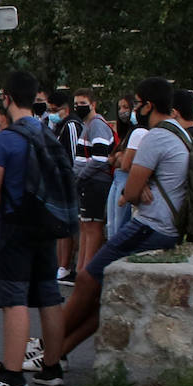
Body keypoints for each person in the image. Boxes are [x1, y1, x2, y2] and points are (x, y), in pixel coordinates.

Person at [46, 77, 185, 370]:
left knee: (87, 278)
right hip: (168, 226)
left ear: (148, 105)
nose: (133, 110)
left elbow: (130, 191)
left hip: (151, 225)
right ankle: (56, 355)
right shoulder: (178, 133)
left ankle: (49, 344)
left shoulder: (154, 137)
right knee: (101, 291)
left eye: (136, 103)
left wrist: (134, 189)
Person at [0, 71, 67, 386]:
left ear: (7, 99)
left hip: (14, 225)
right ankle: (52, 367)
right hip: (46, 225)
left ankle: (11, 374)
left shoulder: (7, 139)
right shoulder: (47, 134)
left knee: (14, 299)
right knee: (49, 295)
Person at [72, 88, 116, 278]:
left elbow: (99, 158)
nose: (79, 107)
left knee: (93, 227)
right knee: (85, 226)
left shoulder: (97, 125)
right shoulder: (87, 125)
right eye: (76, 104)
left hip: (95, 183)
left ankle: (87, 273)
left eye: (83, 103)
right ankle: (81, 269)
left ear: (93, 104)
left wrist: (81, 176)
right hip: (88, 183)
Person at [47, 88, 80, 283]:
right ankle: (60, 264)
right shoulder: (58, 127)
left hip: (67, 182)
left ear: (65, 110)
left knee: (66, 226)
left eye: (54, 109)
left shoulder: (71, 126)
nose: (51, 113)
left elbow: (74, 157)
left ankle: (65, 265)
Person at [105, 95, 145, 241]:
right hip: (117, 177)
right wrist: (119, 157)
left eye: (126, 107)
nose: (123, 111)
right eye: (120, 108)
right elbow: (113, 158)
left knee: (119, 224)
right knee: (111, 224)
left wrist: (121, 157)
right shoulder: (125, 133)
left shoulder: (139, 132)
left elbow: (125, 162)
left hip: (126, 178)